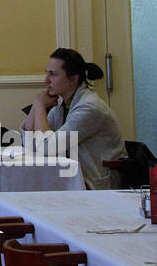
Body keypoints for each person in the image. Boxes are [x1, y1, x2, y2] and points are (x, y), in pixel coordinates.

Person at [21, 47, 126, 190]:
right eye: (47, 74)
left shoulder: (89, 108)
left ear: (73, 79)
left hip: (93, 184)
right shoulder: (62, 105)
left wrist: (40, 105)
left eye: (53, 74)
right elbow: (29, 144)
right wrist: (37, 105)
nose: (46, 80)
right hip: (68, 177)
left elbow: (46, 148)